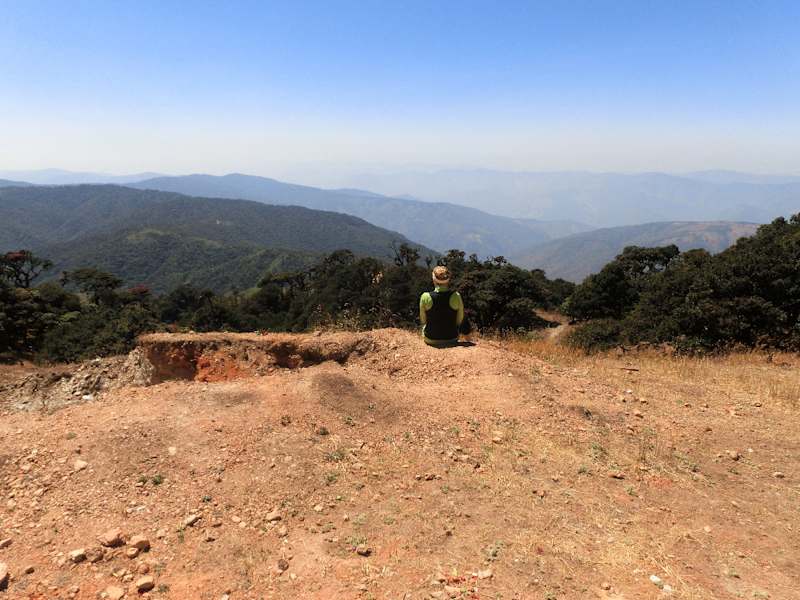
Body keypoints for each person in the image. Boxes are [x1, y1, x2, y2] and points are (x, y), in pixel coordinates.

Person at [419, 265, 465, 346]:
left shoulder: (425, 296)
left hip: (430, 338)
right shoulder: (456, 296)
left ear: (434, 279)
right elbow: (459, 320)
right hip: (452, 338)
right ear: (448, 279)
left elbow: (423, 320)